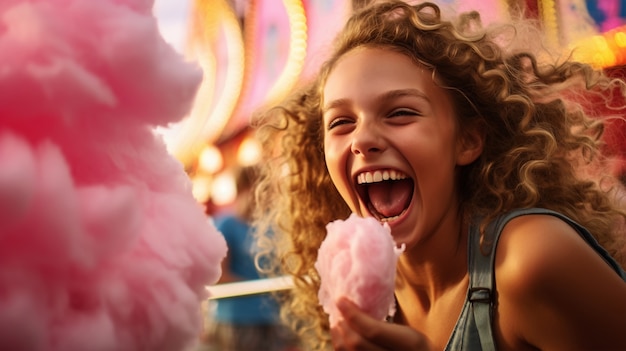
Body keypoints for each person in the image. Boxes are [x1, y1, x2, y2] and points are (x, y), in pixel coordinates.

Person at [251, 1, 626, 350]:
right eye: (341, 122)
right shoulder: (361, 294)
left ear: (467, 140)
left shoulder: (531, 261)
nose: (362, 140)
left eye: (400, 113)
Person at [206, 165, 297, 351]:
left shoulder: (273, 226)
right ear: (242, 190)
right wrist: (265, 287)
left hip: (273, 320)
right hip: (238, 321)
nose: (265, 195)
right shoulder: (226, 225)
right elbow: (218, 276)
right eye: (259, 189)